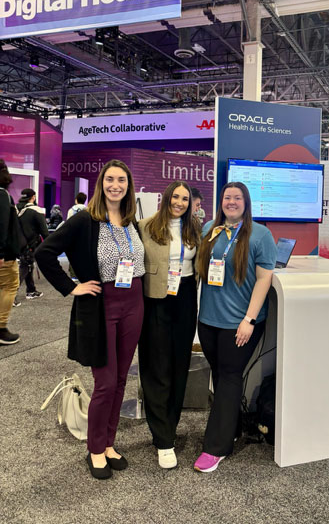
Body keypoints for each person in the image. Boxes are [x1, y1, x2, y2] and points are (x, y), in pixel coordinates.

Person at [35, 159, 145, 480]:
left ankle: (110, 443)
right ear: (101, 184)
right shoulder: (85, 220)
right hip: (101, 304)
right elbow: (45, 252)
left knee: (122, 379)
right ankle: (95, 449)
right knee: (106, 382)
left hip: (134, 302)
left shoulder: (130, 221)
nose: (116, 185)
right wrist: (71, 287)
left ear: (128, 185)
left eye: (121, 180)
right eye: (110, 179)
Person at [194, 181, 277, 473]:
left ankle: (216, 447)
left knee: (229, 377)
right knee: (220, 376)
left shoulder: (261, 235)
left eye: (237, 198)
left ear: (246, 202)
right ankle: (230, 427)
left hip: (239, 323)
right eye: (227, 197)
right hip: (208, 321)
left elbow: (264, 279)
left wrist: (249, 320)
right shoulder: (209, 230)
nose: (231, 202)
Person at [138, 180, 200, 469]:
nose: (179, 202)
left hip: (185, 296)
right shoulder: (146, 226)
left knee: (178, 364)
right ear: (166, 198)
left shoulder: (194, 228)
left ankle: (168, 428)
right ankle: (162, 439)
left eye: (185, 199)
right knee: (156, 366)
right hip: (156, 299)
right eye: (175, 197)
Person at [0, 159, 21, 345]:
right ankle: (1, 327)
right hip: (4, 255)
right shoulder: (2, 195)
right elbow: (1, 225)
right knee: (10, 285)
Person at [16, 189, 48, 301]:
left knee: (28, 265)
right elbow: (44, 231)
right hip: (31, 243)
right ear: (33, 197)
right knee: (25, 267)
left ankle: (31, 290)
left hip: (18, 243)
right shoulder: (36, 210)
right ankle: (11, 295)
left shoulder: (17, 209)